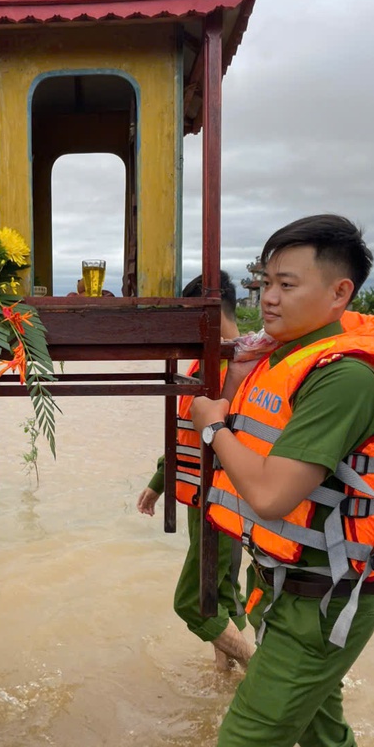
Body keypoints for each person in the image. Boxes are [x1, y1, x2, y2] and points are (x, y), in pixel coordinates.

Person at [191, 215, 374, 747]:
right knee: (321, 731)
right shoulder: (291, 356)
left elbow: (273, 494)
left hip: (323, 603)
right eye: (263, 283)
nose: (268, 298)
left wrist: (212, 426)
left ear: (340, 293)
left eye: (286, 284)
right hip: (291, 590)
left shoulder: (346, 377)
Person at [137, 272, 252, 670]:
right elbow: (186, 433)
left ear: (211, 312)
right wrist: (159, 484)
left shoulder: (241, 368)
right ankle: (225, 682)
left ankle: (257, 671)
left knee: (192, 601)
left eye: (190, 316)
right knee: (219, 590)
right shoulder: (204, 361)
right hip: (201, 497)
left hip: (225, 502)